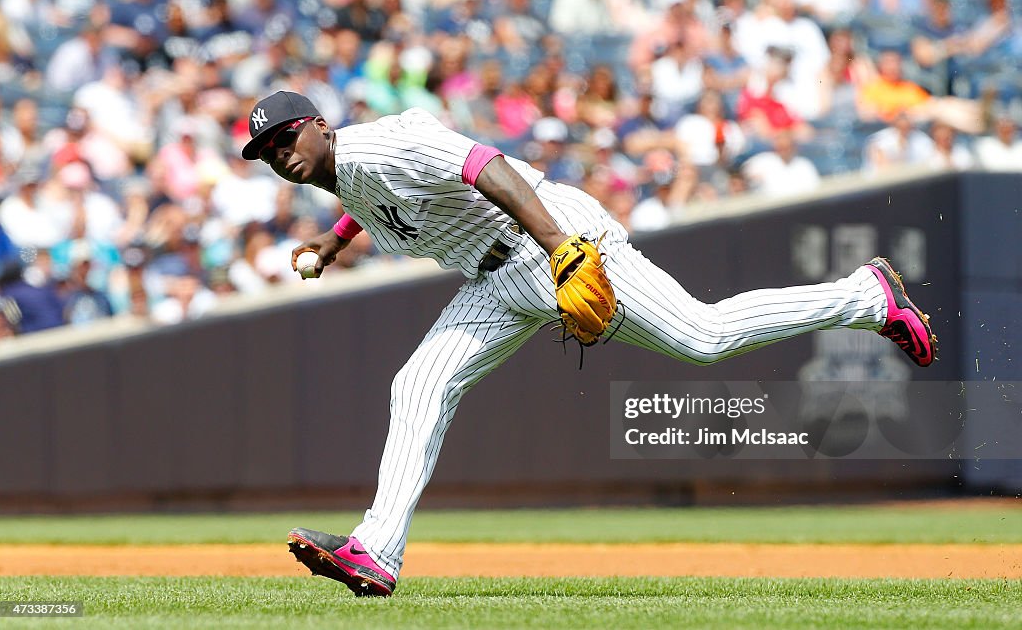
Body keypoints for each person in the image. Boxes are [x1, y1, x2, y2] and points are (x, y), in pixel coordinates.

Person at [241, 91, 937, 597]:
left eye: (286, 136)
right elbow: (377, 204)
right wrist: (332, 245)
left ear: (321, 125)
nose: (280, 152)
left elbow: (487, 165)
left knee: (704, 335)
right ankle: (377, 552)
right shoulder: (346, 173)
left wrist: (561, 249)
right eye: (267, 150)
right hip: (494, 281)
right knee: (418, 383)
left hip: (548, 240)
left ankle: (866, 297)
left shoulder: (384, 140)